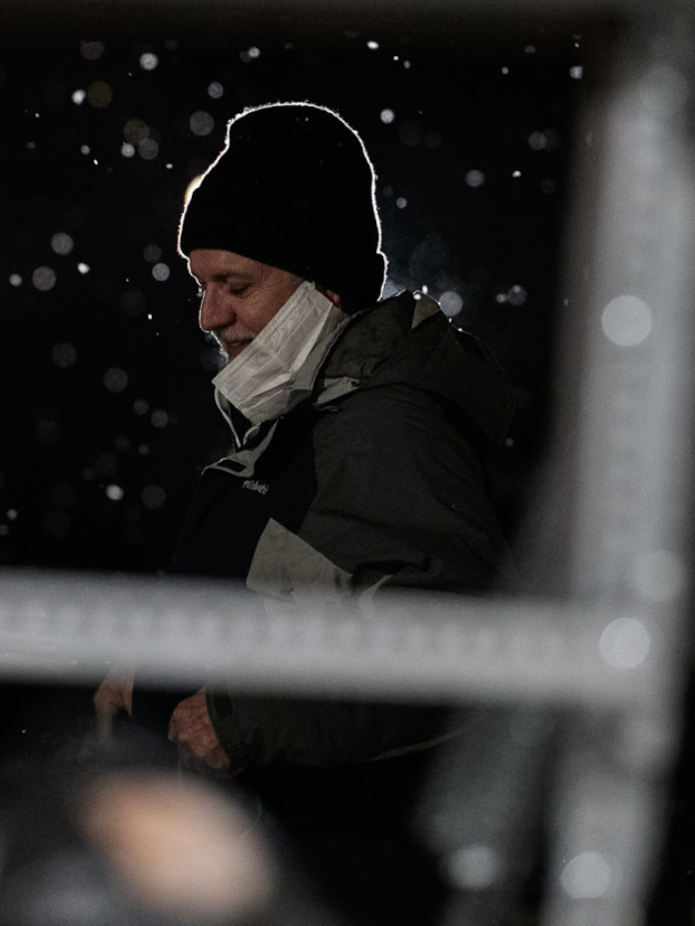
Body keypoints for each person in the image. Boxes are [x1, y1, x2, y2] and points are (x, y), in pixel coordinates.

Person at [93, 100, 513, 921]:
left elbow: (451, 642)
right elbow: (292, 602)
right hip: (273, 873)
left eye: (235, 286)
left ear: (323, 287)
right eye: (201, 286)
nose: (210, 317)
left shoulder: (384, 425)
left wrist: (244, 719)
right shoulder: (304, 421)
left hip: (335, 887)